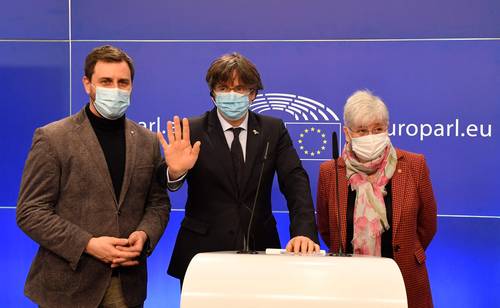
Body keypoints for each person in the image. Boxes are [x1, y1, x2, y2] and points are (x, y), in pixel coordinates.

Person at [16, 45, 170, 308]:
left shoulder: (146, 141)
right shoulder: (53, 138)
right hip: (67, 288)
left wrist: (144, 235)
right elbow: (30, 211)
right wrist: (87, 244)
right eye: (106, 81)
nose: (116, 89)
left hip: (126, 287)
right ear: (87, 84)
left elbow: (158, 204)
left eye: (123, 82)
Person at [157, 52, 320, 284]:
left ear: (252, 94)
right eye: (224, 87)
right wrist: (175, 172)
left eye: (240, 88)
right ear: (213, 93)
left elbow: (296, 182)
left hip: (260, 251)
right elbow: (164, 179)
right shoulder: (191, 130)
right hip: (201, 255)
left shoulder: (272, 130)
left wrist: (303, 232)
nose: (231, 95)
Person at [316, 90, 437, 308]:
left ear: (387, 129)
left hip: (404, 278)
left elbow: (427, 225)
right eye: (362, 131)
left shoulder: (414, 165)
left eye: (378, 129)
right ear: (347, 133)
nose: (371, 136)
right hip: (347, 283)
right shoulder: (330, 171)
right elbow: (326, 228)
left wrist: (408, 250)